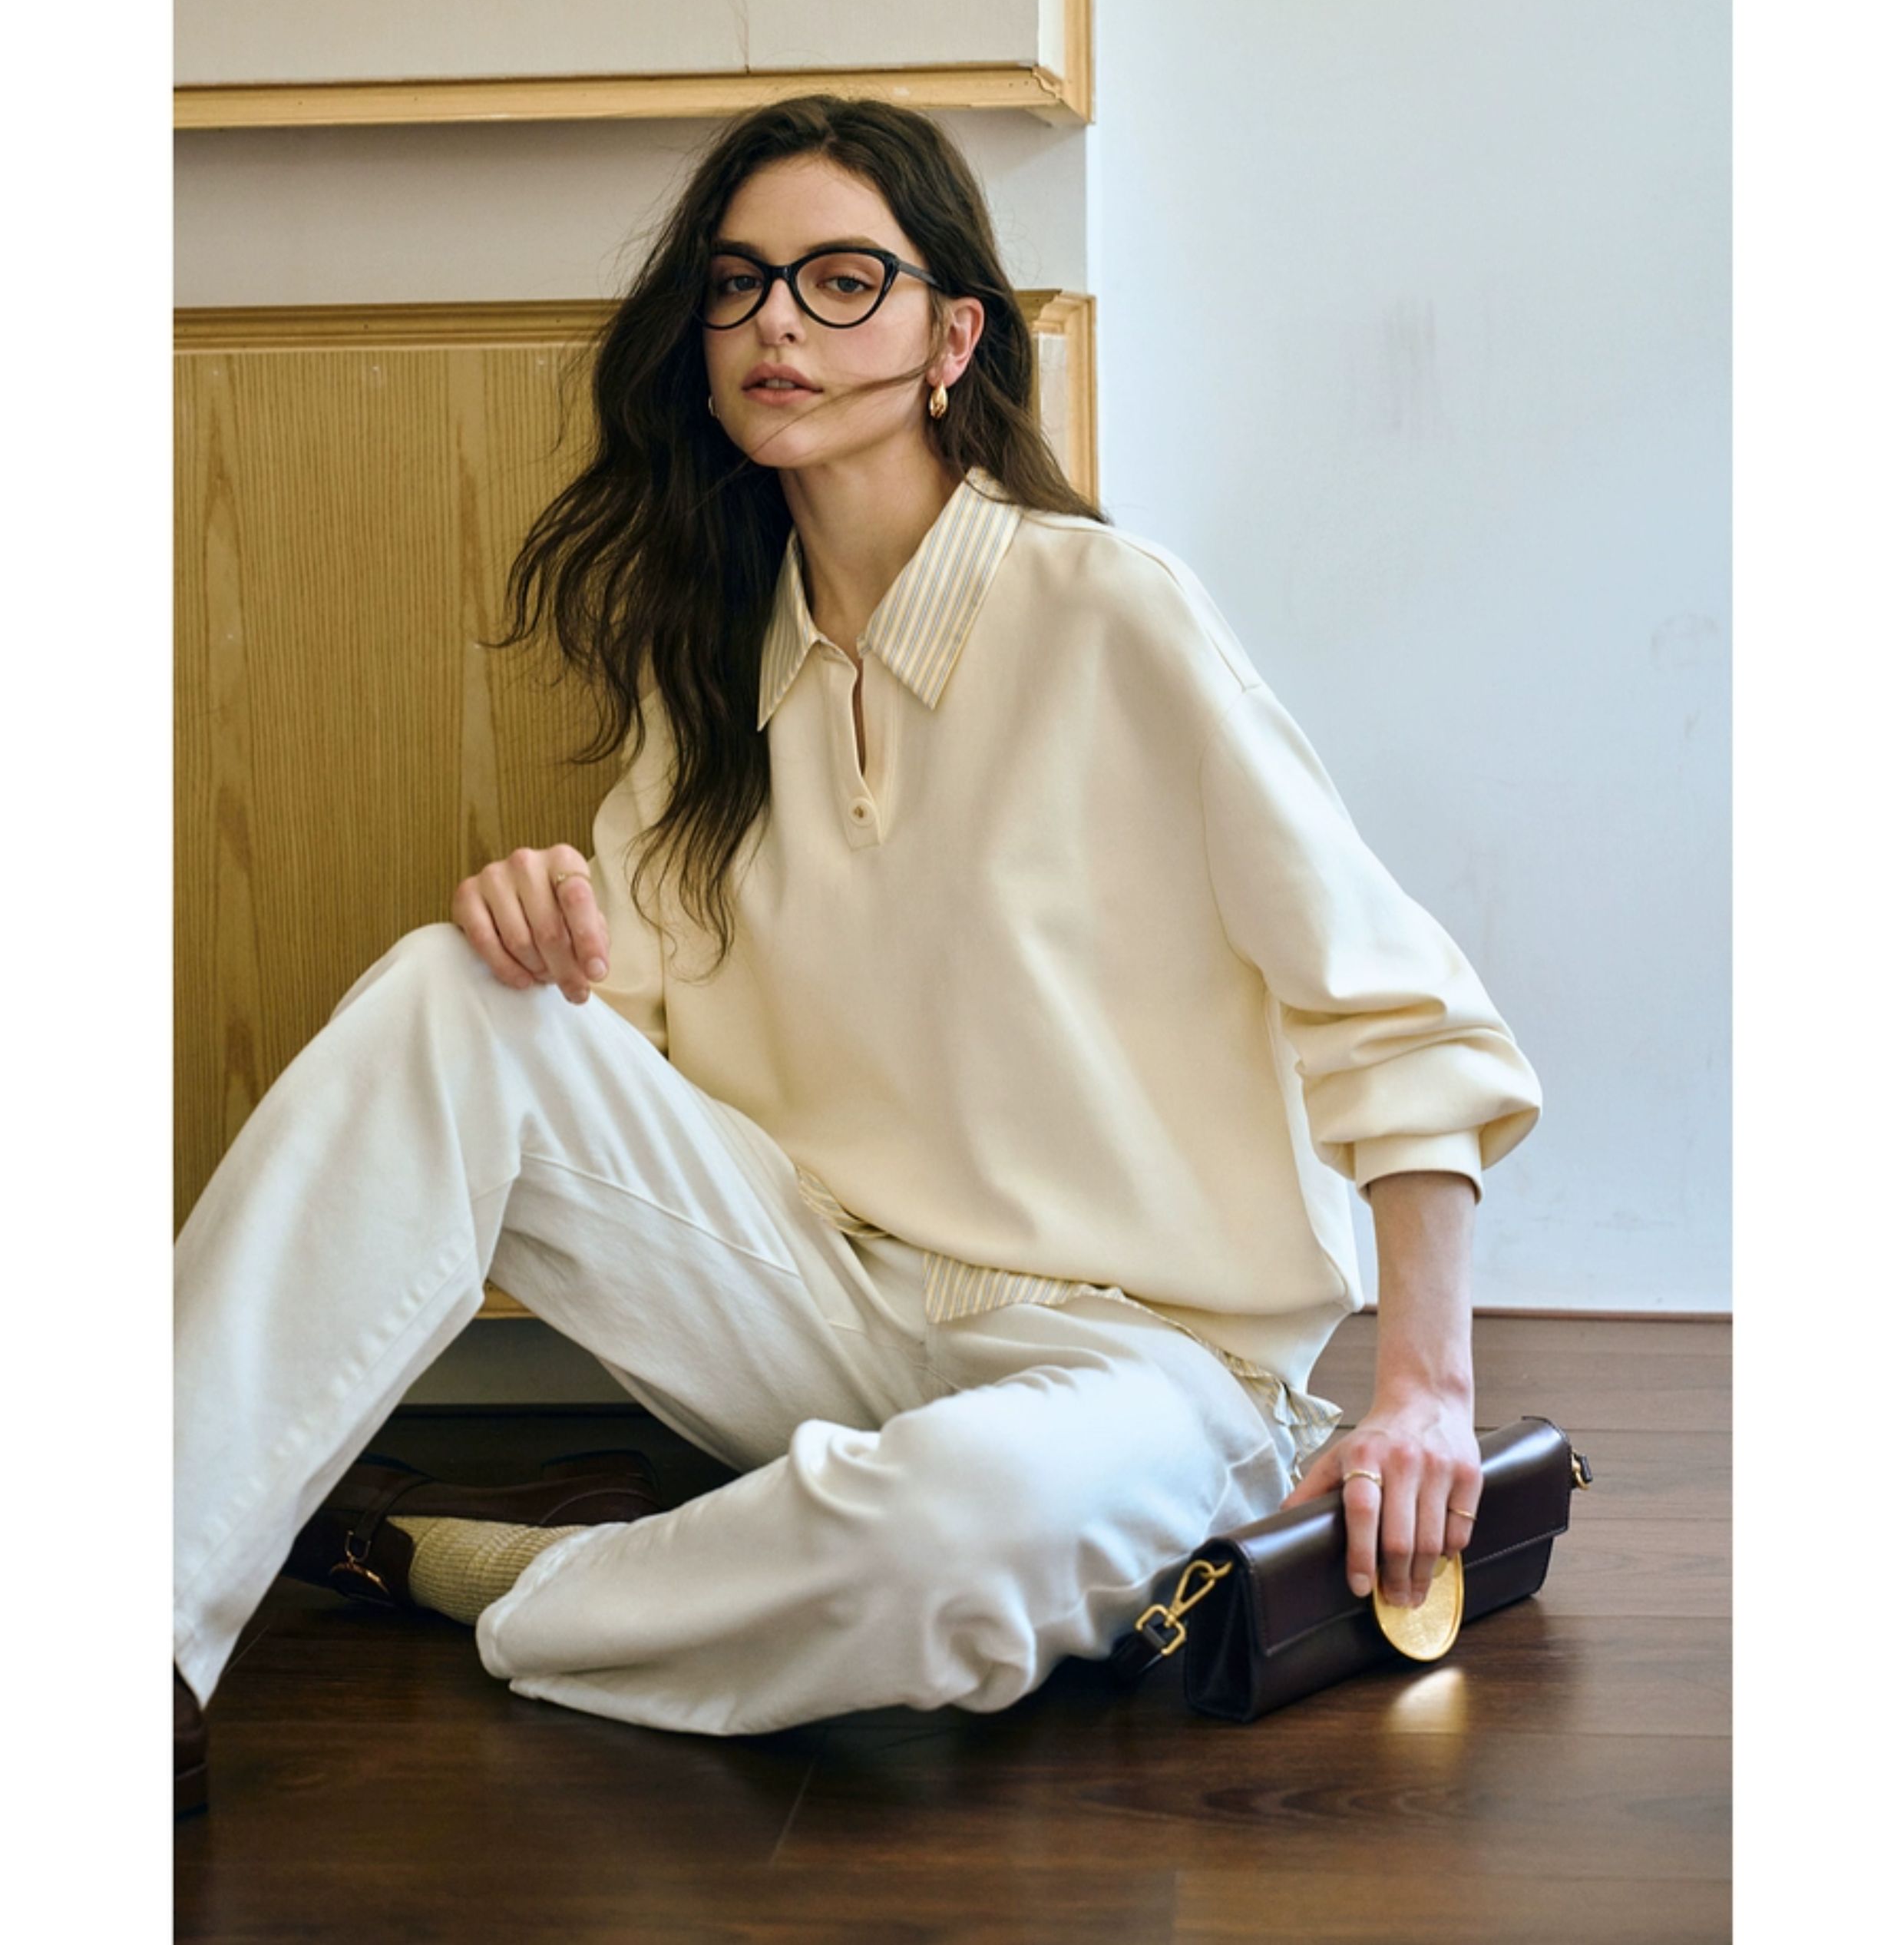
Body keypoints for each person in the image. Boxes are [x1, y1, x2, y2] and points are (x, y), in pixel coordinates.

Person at [174, 94, 1540, 1811]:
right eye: (738, 286)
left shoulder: (1109, 612)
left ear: (950, 338)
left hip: (1139, 1365)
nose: (777, 327)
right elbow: (604, 1061)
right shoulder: (709, 673)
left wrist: (1424, 1393)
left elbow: (1397, 1013)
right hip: (820, 1303)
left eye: (841, 281)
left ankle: (500, 1574)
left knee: (957, 1537)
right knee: (453, 991)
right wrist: (533, 931)